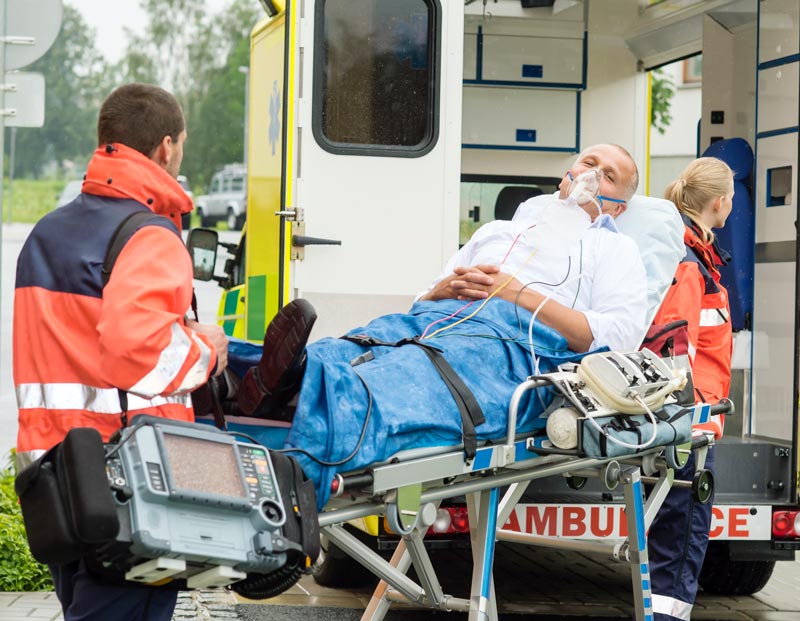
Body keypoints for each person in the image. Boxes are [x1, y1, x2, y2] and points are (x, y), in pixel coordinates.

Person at [235, 144, 649, 506]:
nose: (592, 176)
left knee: (407, 373)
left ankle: (301, 404)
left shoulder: (612, 249)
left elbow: (615, 337)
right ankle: (254, 378)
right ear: (567, 174)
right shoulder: (502, 231)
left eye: (608, 176)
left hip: (509, 343)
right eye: (589, 163)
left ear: (618, 207)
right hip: (434, 318)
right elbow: (426, 294)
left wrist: (514, 293)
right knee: (364, 342)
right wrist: (440, 290)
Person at [13, 83, 229, 621]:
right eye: (181, 144)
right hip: (128, 482)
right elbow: (135, 347)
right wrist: (207, 350)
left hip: (55, 479)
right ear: (164, 148)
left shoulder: (47, 234)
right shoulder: (151, 236)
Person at [646, 157, 735, 621]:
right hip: (687, 424)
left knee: (674, 535)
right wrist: (685, 424)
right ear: (719, 202)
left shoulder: (693, 251)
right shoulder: (688, 261)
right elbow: (672, 346)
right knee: (680, 539)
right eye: (732, 197)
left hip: (689, 419)